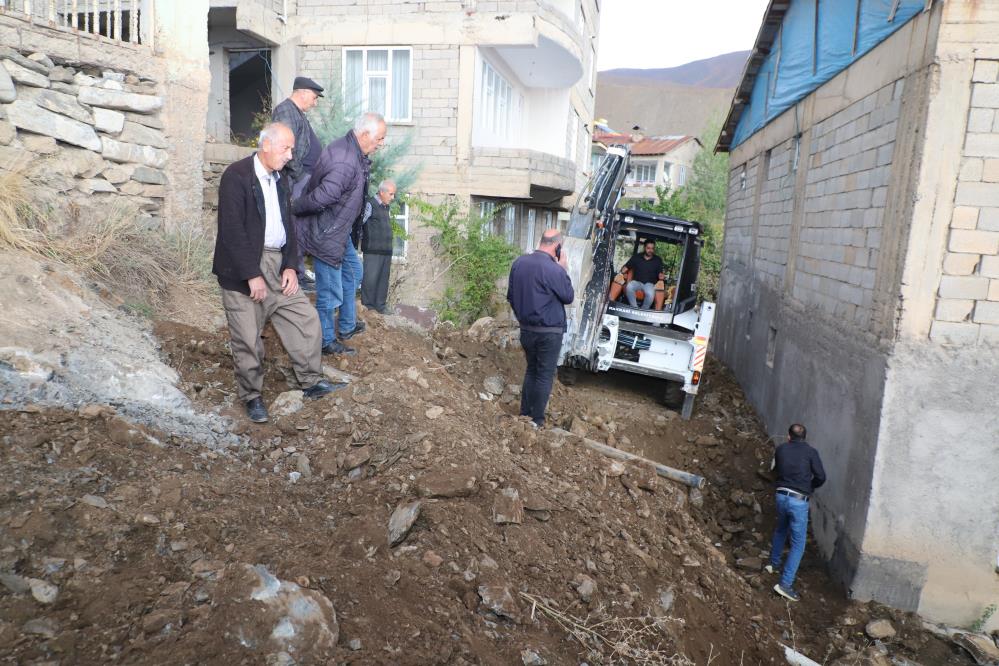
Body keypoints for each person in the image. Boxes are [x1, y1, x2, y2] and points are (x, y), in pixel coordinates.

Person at [212, 122, 341, 423]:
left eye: (292, 149)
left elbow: (289, 227)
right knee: (247, 336)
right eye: (286, 148)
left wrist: (291, 266)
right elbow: (231, 230)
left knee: (305, 318)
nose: (290, 155)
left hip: (277, 265)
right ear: (266, 145)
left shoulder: (280, 179)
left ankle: (310, 381)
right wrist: (250, 274)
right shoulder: (237, 176)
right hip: (244, 267)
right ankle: (252, 397)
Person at [294, 112, 387, 356]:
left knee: (354, 272)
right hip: (327, 231)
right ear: (365, 134)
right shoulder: (346, 158)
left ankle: (346, 325)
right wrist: (296, 208)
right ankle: (326, 341)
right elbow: (324, 196)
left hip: (339, 228)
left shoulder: (354, 151)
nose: (381, 144)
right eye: (380, 139)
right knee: (330, 289)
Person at [506, 230, 574, 428]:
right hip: (549, 332)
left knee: (532, 370)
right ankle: (536, 420)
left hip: (527, 330)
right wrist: (563, 269)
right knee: (544, 375)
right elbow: (568, 296)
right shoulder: (554, 269)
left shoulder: (519, 263)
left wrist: (522, 318)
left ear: (541, 241)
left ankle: (524, 414)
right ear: (557, 246)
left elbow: (511, 296)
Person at [272, 76, 325, 291]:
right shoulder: (286, 111)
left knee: (299, 225)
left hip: (303, 177)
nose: (315, 102)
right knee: (294, 225)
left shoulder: (297, 113)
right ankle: (296, 274)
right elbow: (284, 147)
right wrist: (296, 173)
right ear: (302, 92)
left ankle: (300, 272)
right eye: (314, 97)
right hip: (296, 178)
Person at [766, 423, 827, 602]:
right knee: (798, 543)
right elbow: (821, 477)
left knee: (780, 529)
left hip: (781, 496)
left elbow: (775, 471)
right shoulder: (811, 453)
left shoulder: (781, 449)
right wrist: (809, 487)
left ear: (788, 437)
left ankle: (773, 564)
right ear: (805, 437)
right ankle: (785, 584)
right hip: (798, 500)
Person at [360, 179, 397, 314]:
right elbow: (360, 223)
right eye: (391, 194)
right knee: (370, 279)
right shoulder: (370, 204)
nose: (392, 198)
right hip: (372, 250)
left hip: (386, 251)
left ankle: (380, 307)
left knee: (383, 281)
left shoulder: (385, 207)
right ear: (382, 192)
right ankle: (368, 307)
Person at [622, 240, 665, 309]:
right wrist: (623, 272)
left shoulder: (658, 260)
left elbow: (660, 273)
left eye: (652, 248)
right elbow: (625, 267)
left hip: (650, 284)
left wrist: (661, 276)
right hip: (637, 282)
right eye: (648, 248)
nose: (650, 250)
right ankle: (634, 307)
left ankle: (643, 310)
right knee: (629, 286)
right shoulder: (636, 257)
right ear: (644, 248)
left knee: (650, 294)